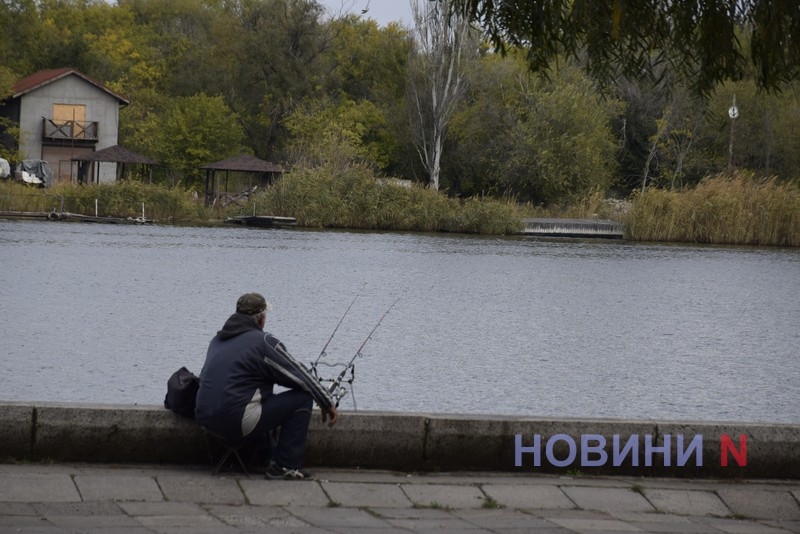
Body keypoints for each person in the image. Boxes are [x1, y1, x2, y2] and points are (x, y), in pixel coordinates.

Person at [195, 292, 338, 480]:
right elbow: (300, 375)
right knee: (302, 398)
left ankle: (265, 454)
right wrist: (326, 401)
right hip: (234, 422)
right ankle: (285, 465)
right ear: (261, 318)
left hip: (205, 418)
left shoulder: (217, 340)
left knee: (258, 397)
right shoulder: (263, 342)